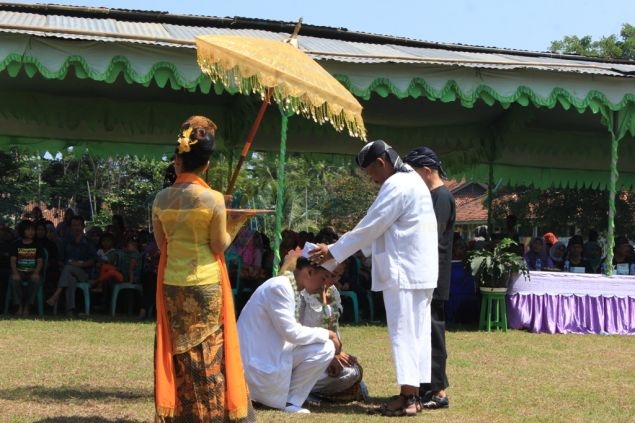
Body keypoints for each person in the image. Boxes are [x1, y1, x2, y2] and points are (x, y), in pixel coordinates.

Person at [310, 139, 438, 417]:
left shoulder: (397, 184)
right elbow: (378, 229)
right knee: (417, 335)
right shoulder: (415, 182)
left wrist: (333, 251)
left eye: (371, 173)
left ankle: (408, 398)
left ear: (381, 163)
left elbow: (371, 225)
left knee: (405, 334)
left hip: (404, 272)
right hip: (420, 271)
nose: (372, 180)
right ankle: (413, 394)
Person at [151, 115, 254, 422]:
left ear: (176, 160)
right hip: (207, 284)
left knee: (180, 352)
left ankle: (182, 414)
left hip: (173, 283)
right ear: (206, 165)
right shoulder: (213, 200)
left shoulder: (160, 199)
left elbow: (161, 245)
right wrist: (236, 222)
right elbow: (219, 245)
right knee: (209, 352)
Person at [237, 245, 341, 414]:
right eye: (323, 279)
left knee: (327, 350)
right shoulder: (280, 287)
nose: (324, 286)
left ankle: (292, 401)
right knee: (326, 346)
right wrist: (328, 334)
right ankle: (287, 400)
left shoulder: (290, 287)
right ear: (308, 272)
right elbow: (291, 333)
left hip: (272, 356)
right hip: (260, 366)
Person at [403, 146, 455, 410]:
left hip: (434, 274)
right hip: (427, 272)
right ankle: (426, 386)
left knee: (433, 332)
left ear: (426, 171)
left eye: (413, 173)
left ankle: (438, 391)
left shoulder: (441, 197)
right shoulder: (431, 196)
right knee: (424, 331)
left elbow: (430, 238)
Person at [46, 215, 97, 316]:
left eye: (78, 225)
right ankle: (70, 311)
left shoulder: (88, 242)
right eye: (73, 225)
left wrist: (79, 264)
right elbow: (60, 260)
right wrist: (68, 265)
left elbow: (93, 260)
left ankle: (56, 294)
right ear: (70, 227)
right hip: (68, 273)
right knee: (70, 278)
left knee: (69, 267)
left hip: (84, 273)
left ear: (83, 227)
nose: (76, 228)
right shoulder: (65, 242)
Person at [9, 219, 44, 316]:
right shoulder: (16, 244)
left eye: (33, 229)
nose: (31, 232)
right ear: (22, 231)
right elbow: (12, 260)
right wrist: (15, 273)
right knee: (14, 280)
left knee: (36, 280)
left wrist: (36, 273)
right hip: (20, 271)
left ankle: (27, 306)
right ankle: (19, 306)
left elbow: (40, 262)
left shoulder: (37, 245)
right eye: (28, 230)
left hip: (33, 271)